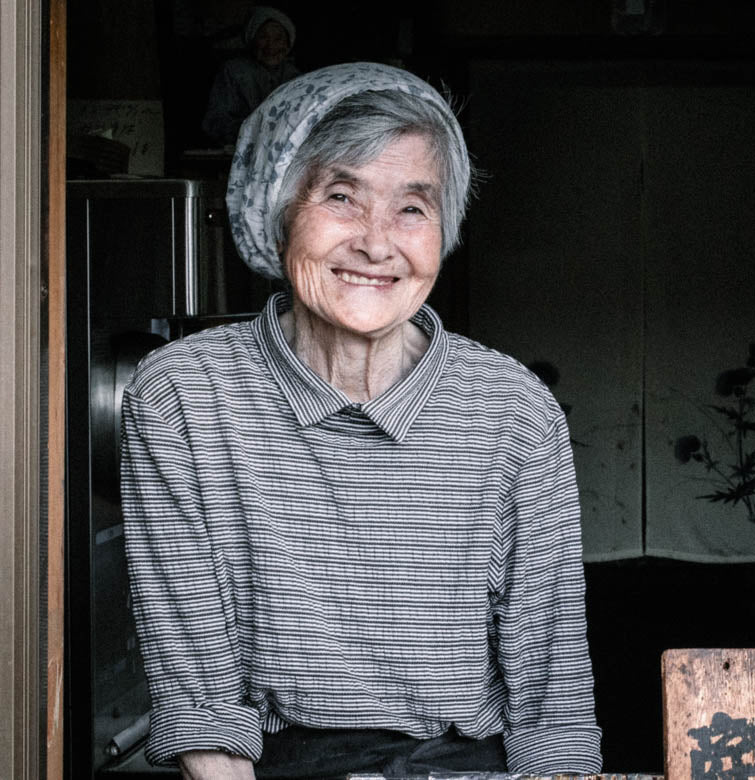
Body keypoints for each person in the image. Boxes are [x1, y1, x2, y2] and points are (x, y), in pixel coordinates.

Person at [122, 62, 602, 779]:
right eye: (342, 197)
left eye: (413, 208)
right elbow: (202, 705)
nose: (379, 244)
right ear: (277, 211)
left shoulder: (513, 413)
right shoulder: (185, 397)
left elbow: (551, 701)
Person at [201, 6, 300, 146]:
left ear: (288, 44)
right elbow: (214, 122)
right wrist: (254, 130)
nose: (270, 46)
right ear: (252, 39)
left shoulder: (295, 77)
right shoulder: (233, 71)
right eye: (263, 37)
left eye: (279, 38)